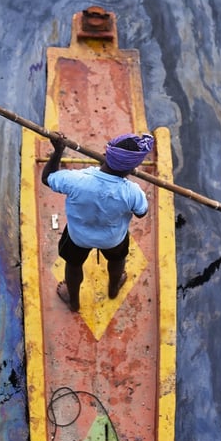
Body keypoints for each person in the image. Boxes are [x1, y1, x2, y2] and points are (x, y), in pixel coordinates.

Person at [42, 131, 153, 311]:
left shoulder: (75, 180)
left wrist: (58, 151)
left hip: (78, 237)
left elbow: (47, 178)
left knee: (73, 265)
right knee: (117, 261)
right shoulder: (133, 192)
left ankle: (74, 302)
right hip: (113, 239)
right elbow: (141, 212)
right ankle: (113, 289)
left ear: (106, 155)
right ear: (130, 169)